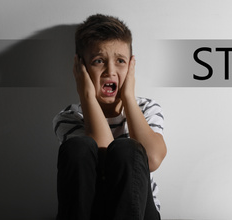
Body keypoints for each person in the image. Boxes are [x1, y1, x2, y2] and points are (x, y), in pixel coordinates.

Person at [52, 14, 167, 220]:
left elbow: (152, 159)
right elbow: (104, 162)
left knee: (127, 149)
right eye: (98, 61)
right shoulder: (69, 117)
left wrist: (129, 98)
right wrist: (86, 95)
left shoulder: (147, 107)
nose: (110, 71)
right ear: (81, 68)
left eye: (120, 61)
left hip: (138, 212)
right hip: (91, 211)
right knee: (78, 146)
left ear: (131, 66)